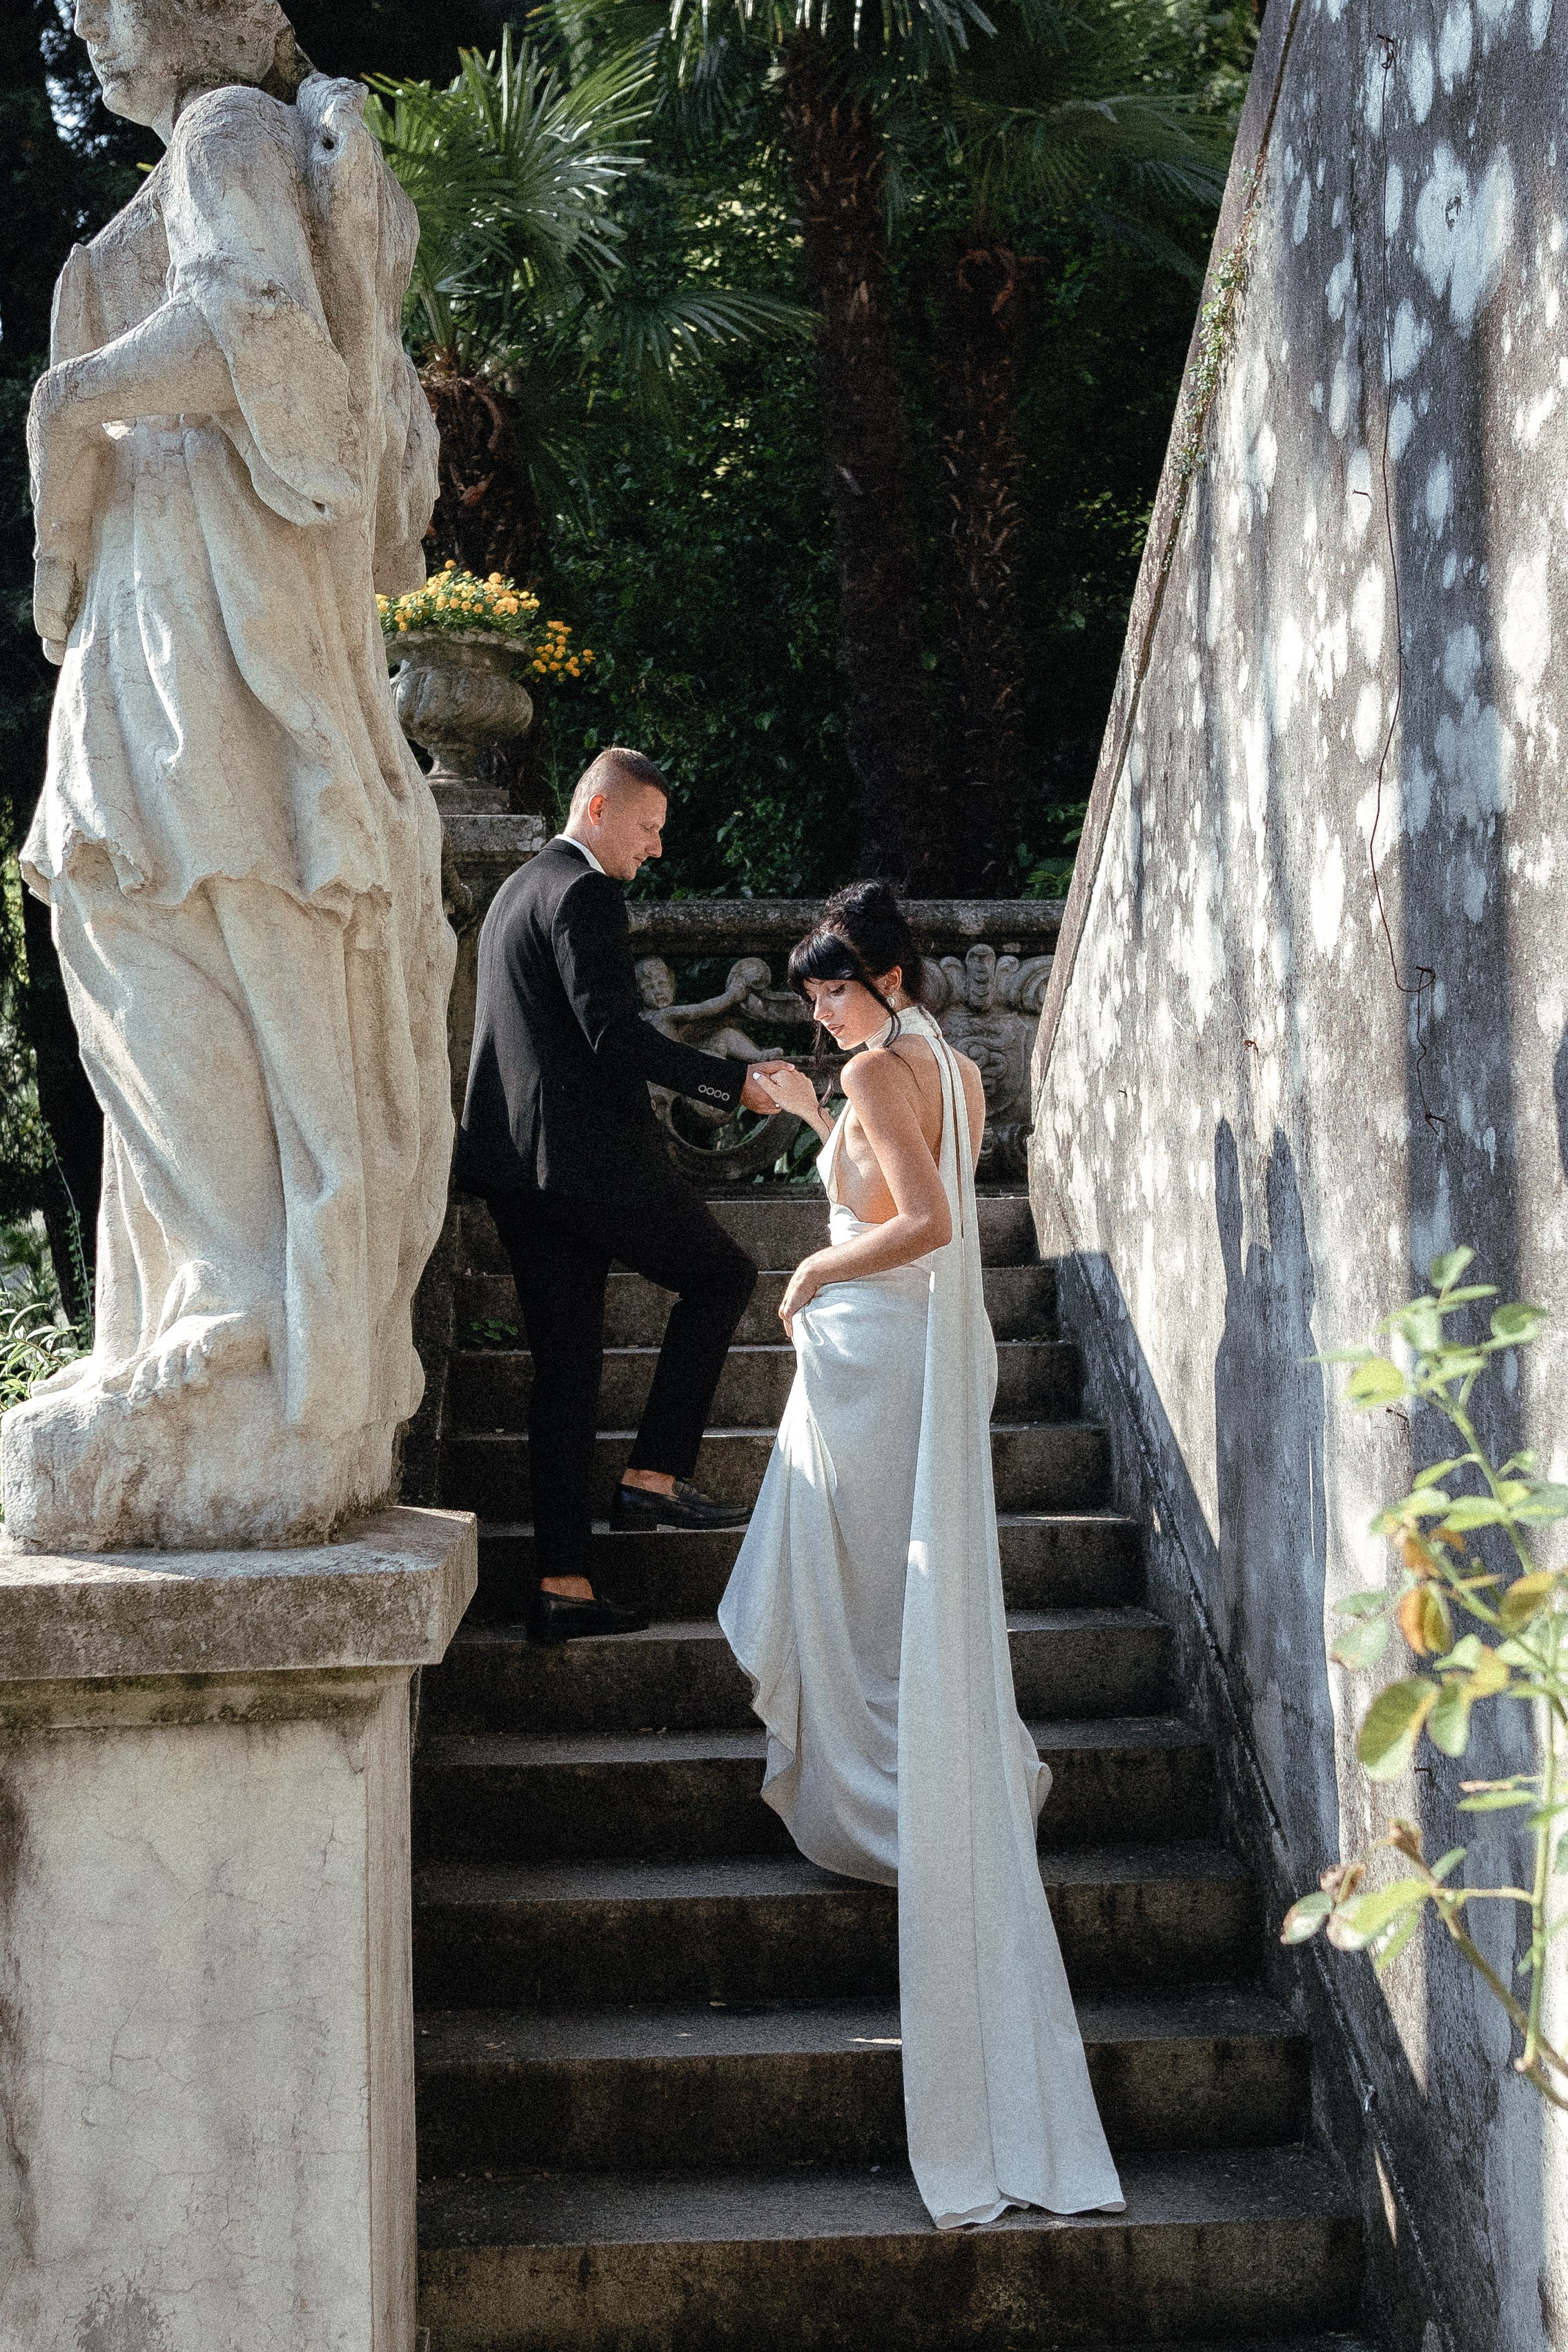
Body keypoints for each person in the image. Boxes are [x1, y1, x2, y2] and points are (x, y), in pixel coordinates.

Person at [10, 0, 453, 1548]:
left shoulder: (225, 132)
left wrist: (66, 410)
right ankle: (213, 1306)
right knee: (136, 917)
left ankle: (245, 1317)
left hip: (209, 611)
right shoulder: (188, 164)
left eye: (105, 4)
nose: (83, 31)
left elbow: (262, 339)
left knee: (186, 907)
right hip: (164, 598)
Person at [724, 880, 1124, 2231]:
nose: (817, 1011)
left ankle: (881, 1803)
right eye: (809, 994)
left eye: (831, 988)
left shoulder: (890, 1065)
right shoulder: (932, 1067)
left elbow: (923, 1223)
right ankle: (903, 1785)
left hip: (882, 1353)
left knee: (852, 1591)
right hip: (909, 1356)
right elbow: (899, 1163)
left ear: (888, 977)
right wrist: (805, 1114)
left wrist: (808, 1278)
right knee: (863, 1583)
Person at [455, 748, 790, 1643]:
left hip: (517, 1173)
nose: (654, 850)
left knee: (564, 1377)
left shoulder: (517, 893)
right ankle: (652, 1476)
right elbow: (610, 1033)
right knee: (721, 1277)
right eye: (647, 829)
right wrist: (733, 1082)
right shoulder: (585, 892)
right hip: (590, 1167)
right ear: (598, 808)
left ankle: (565, 1585)